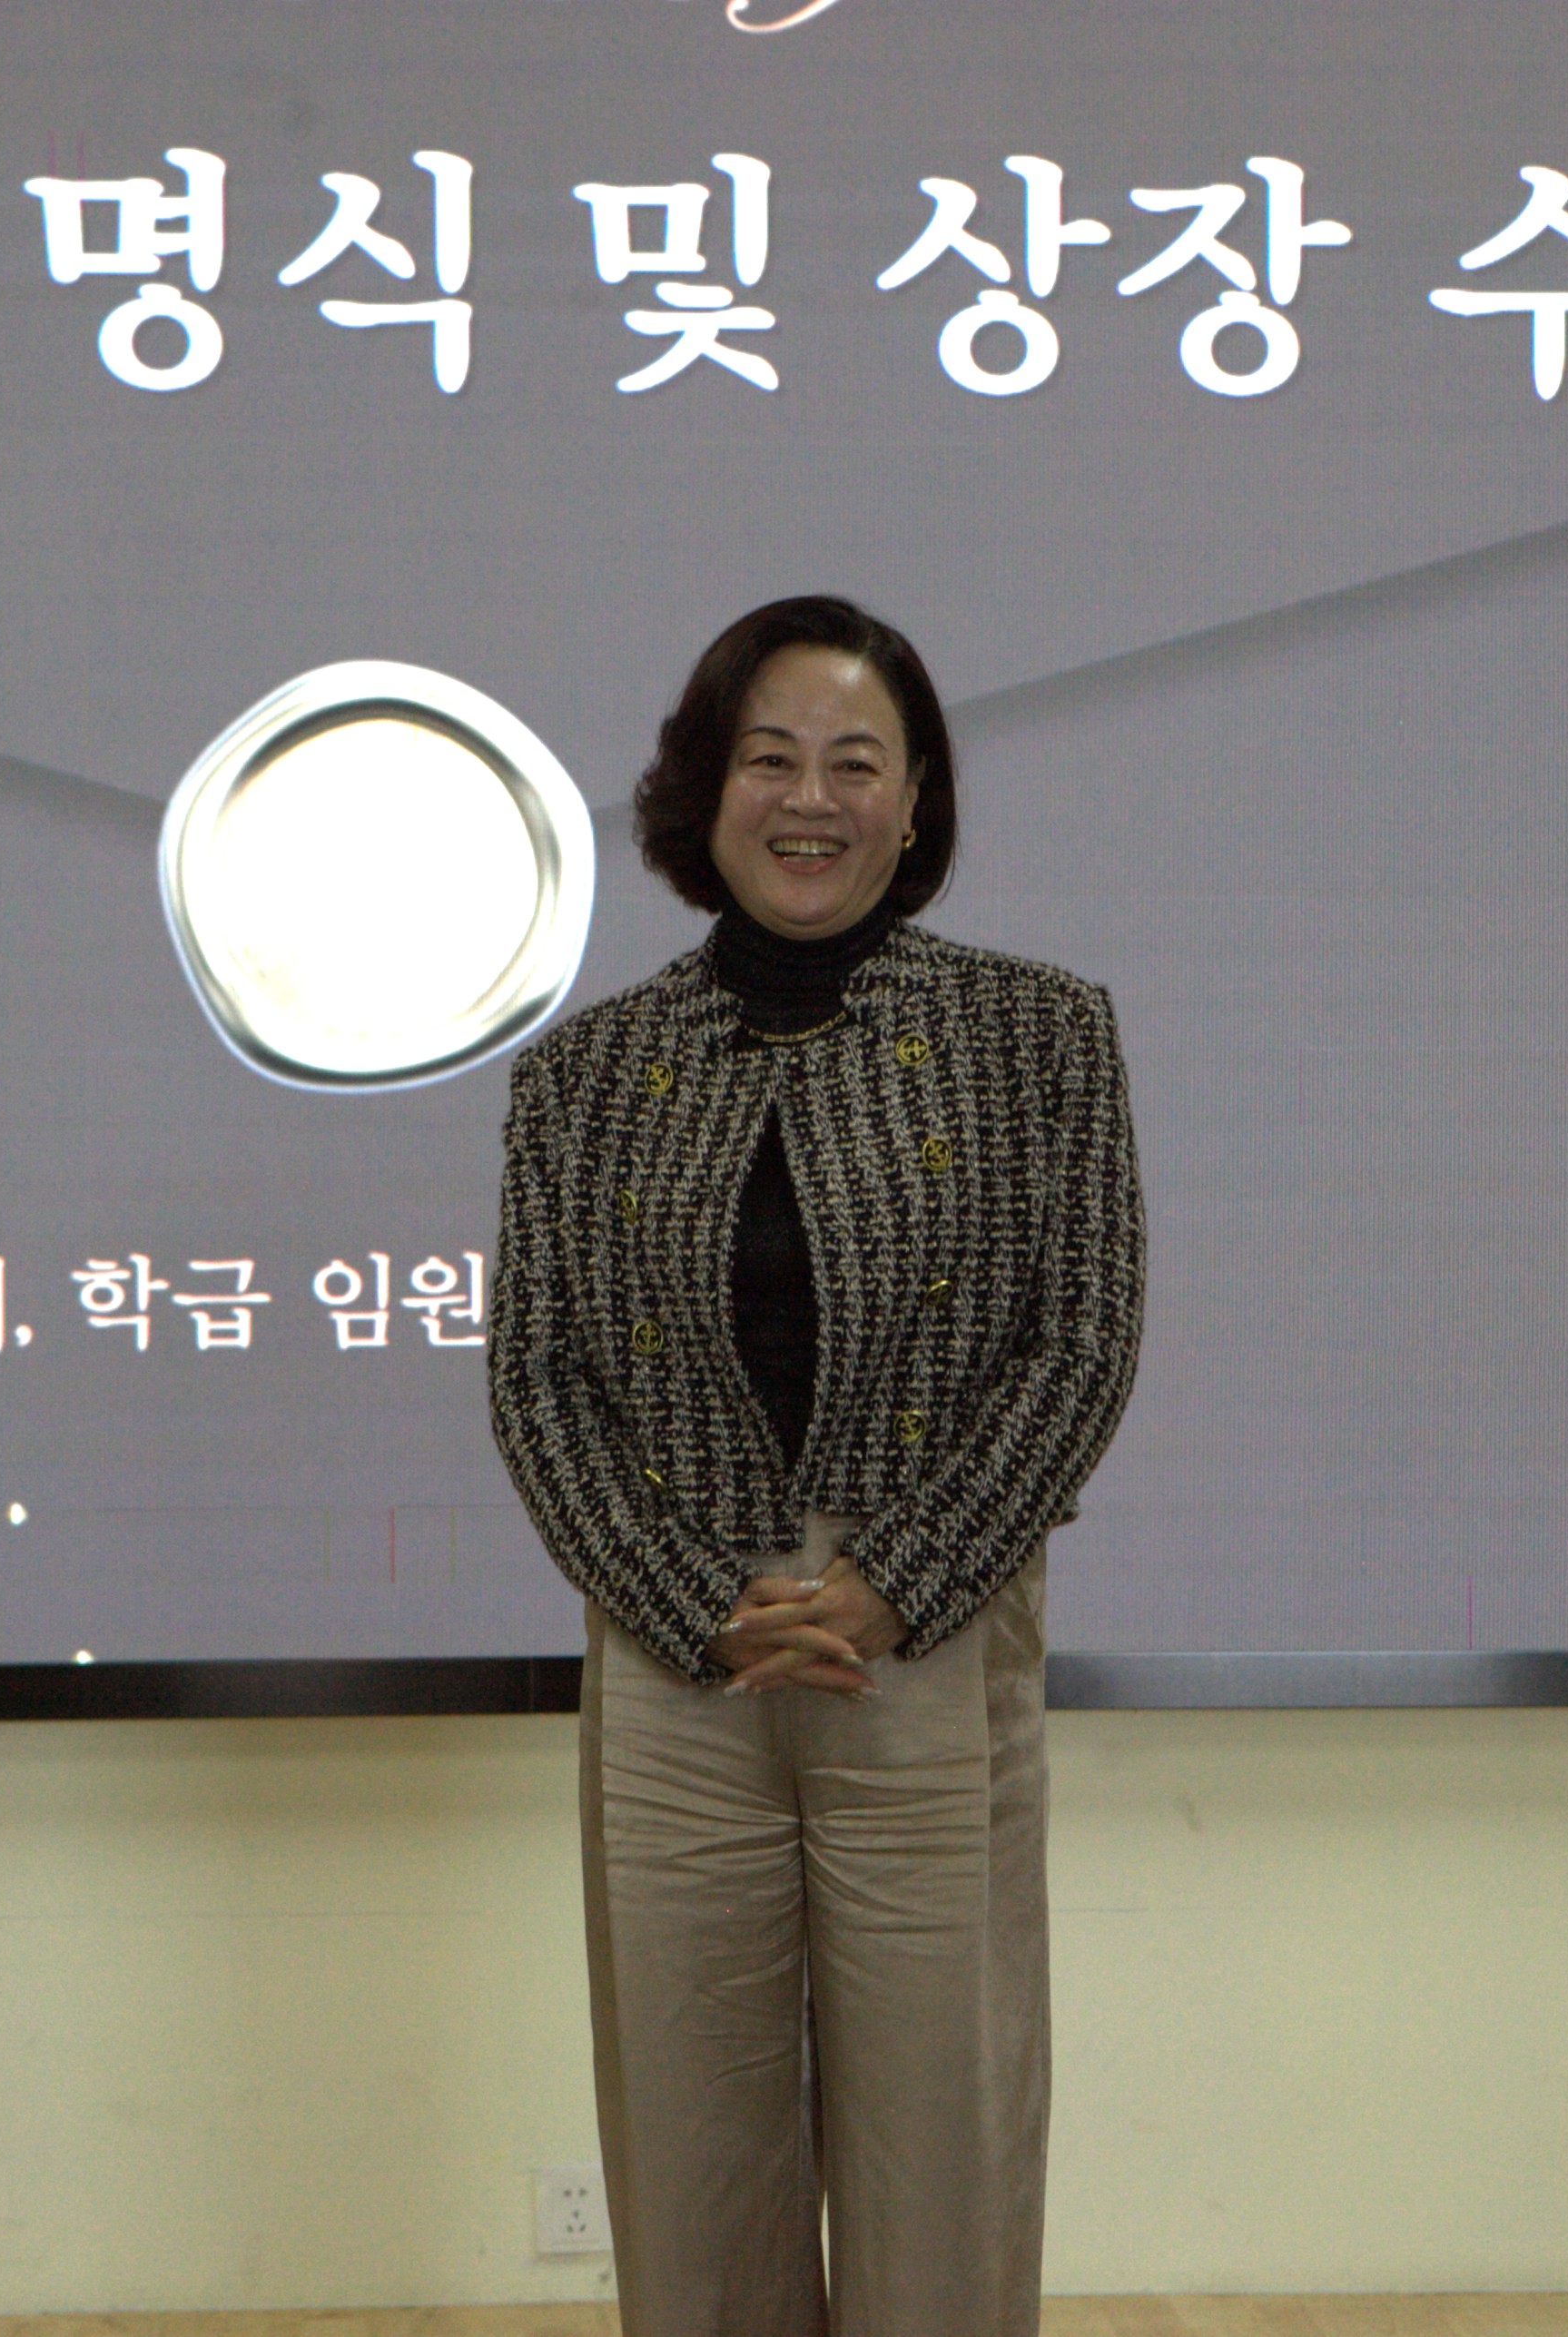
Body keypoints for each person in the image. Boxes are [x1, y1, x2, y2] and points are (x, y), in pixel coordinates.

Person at [487, 595, 1145, 2337]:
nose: (810, 798)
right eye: (768, 757)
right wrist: (692, 1598)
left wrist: (894, 1580)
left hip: (922, 1646)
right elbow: (539, 1385)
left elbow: (1080, 1342)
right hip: (678, 1655)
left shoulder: (1039, 1036)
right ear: (701, 792)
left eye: (857, 763)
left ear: (915, 802)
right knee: (689, 2158)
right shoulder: (582, 1075)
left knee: (942, 2158)